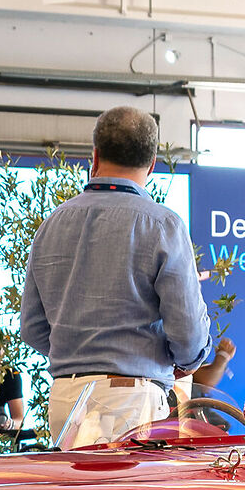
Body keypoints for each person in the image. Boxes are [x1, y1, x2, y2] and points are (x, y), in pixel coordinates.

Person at [21, 107, 210, 446]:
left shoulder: (52, 224)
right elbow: (189, 335)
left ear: (93, 156)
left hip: (64, 398)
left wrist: (80, 352)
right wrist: (187, 360)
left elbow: (32, 329)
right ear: (152, 164)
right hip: (129, 402)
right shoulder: (162, 225)